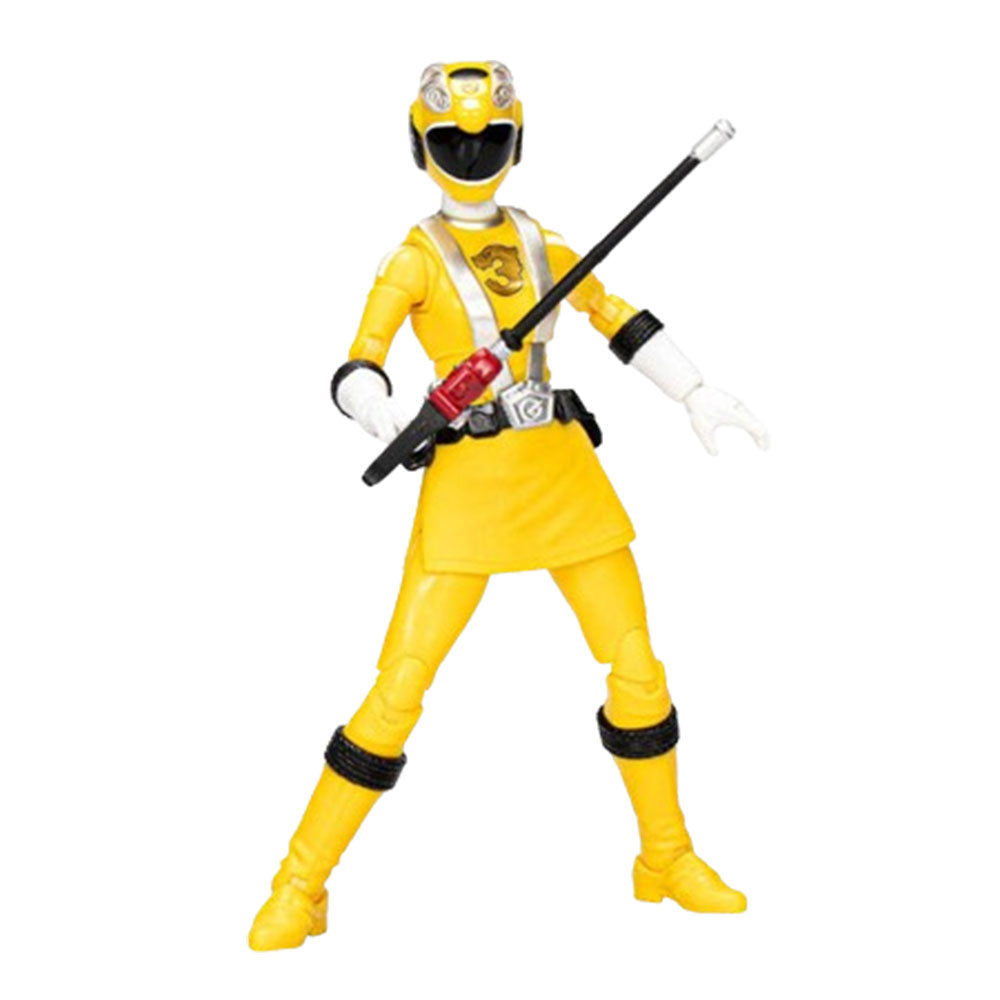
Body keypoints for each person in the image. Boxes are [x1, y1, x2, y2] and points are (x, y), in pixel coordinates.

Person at [249, 61, 768, 952]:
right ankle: (300, 882)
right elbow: (358, 362)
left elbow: (616, 316)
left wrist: (694, 389)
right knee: (398, 688)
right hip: (469, 483)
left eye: (489, 139)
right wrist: (380, 409)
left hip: (562, 474)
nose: (472, 154)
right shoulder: (413, 259)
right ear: (421, 148)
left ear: (516, 143)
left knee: (638, 669)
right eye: (452, 142)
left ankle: (667, 855)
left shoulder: (544, 242)